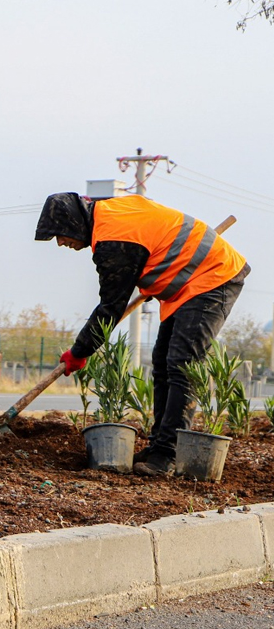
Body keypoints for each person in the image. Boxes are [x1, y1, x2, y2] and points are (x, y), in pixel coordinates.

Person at [35, 192, 249, 476]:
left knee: (182, 365)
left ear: (74, 222)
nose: (61, 242)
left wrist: (78, 353)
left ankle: (168, 455)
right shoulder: (108, 210)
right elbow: (152, 236)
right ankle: (160, 445)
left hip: (212, 278)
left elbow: (110, 308)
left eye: (61, 234)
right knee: (162, 363)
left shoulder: (114, 239)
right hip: (187, 281)